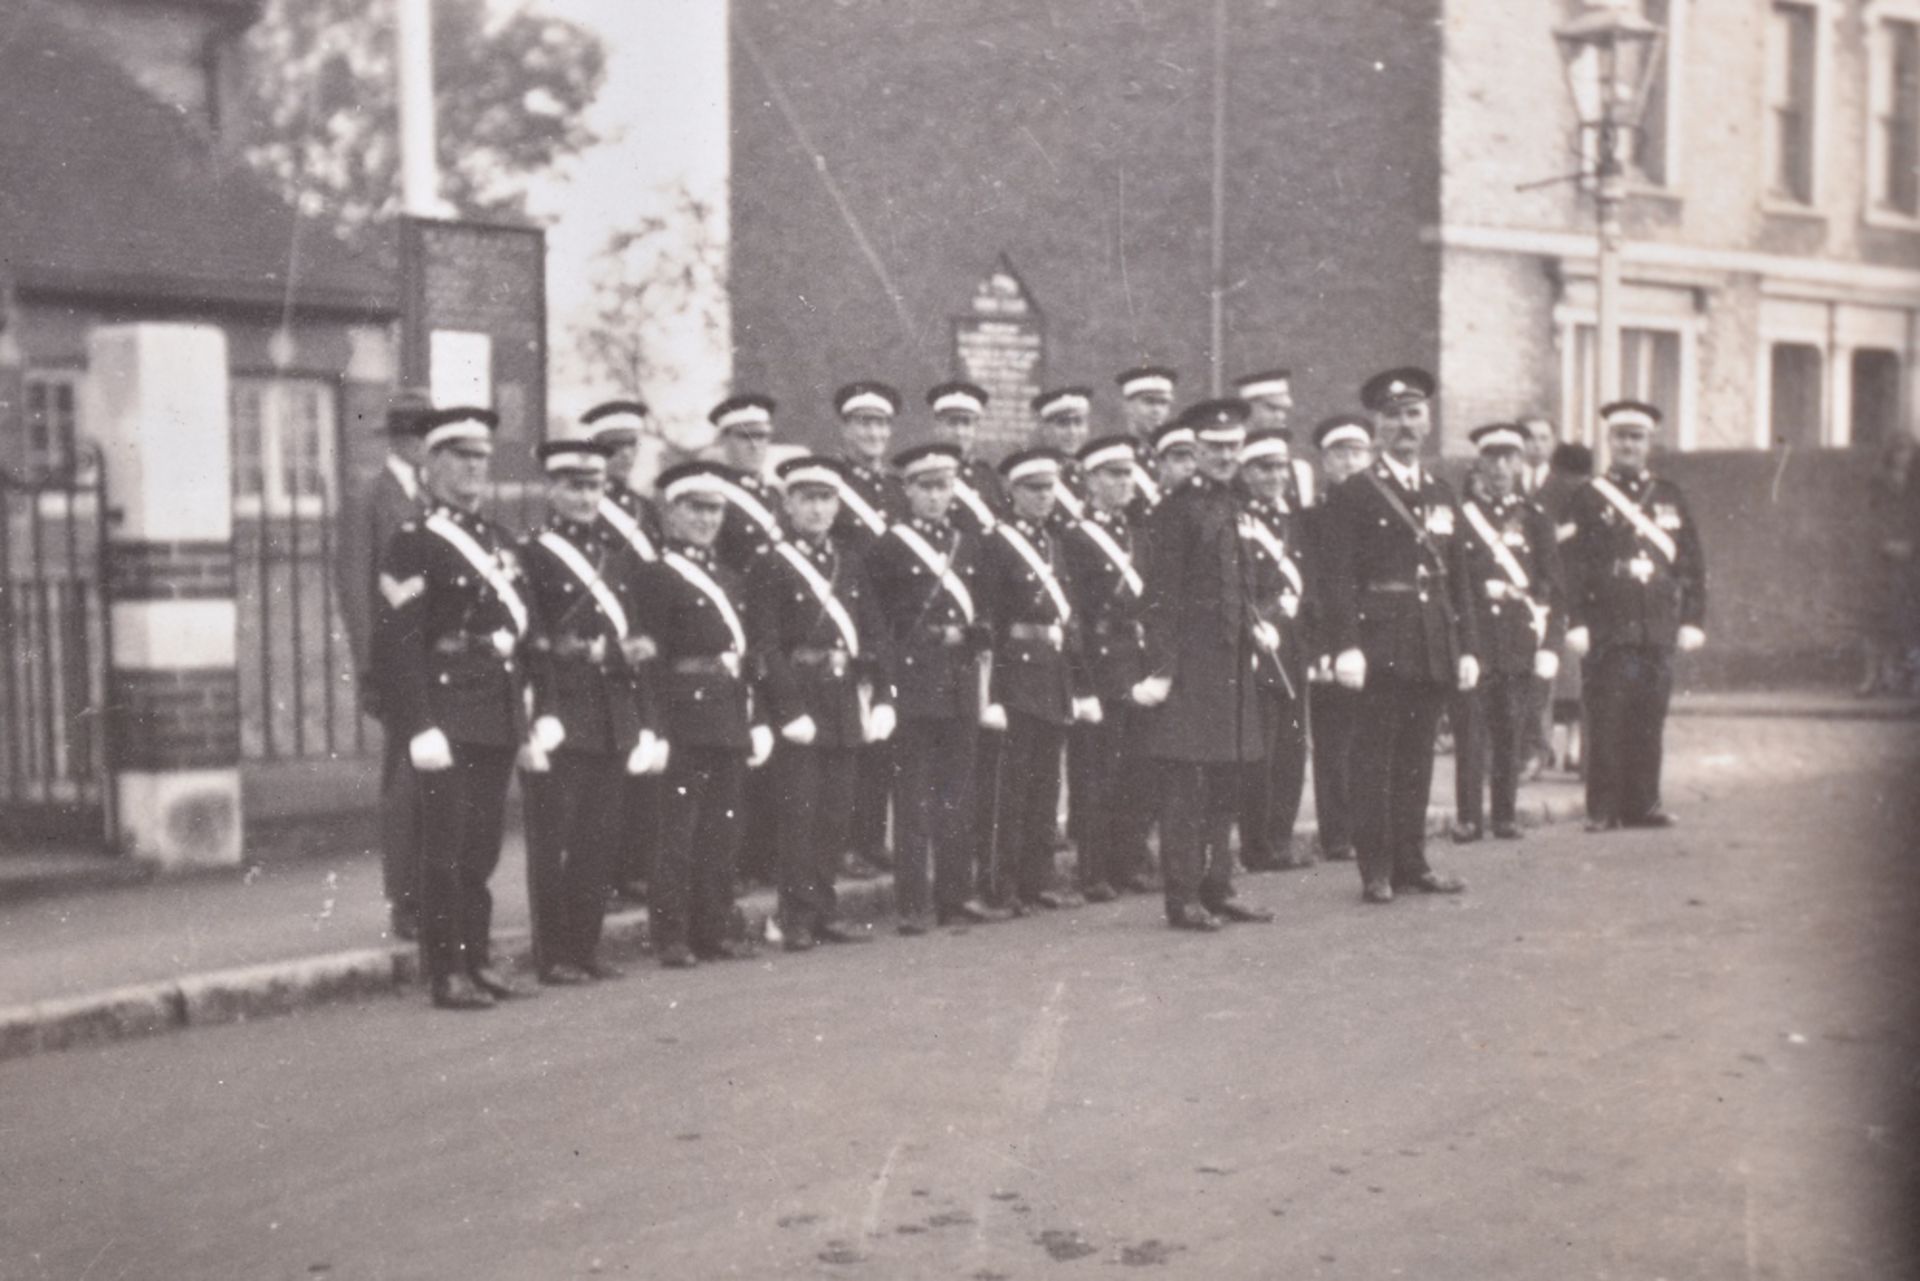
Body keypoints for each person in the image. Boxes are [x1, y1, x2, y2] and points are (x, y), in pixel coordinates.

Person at [373, 406, 538, 1009]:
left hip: (493, 709)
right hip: (445, 711)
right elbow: (397, 641)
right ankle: (445, 971)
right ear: (435, 462)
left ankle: (477, 957)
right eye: (461, 457)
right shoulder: (415, 542)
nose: (474, 469)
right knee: (442, 849)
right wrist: (418, 723)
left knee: (481, 849)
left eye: (482, 458)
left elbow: (519, 631)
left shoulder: (498, 539)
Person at [1318, 368, 1479, 905]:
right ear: (1376, 426)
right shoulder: (1355, 493)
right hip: (1379, 641)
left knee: (1417, 756)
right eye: (1392, 416)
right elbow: (1336, 576)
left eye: (1413, 414)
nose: (1404, 425)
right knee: (1374, 756)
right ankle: (1376, 868)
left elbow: (1459, 577)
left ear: (1428, 422)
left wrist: (1469, 647)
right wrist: (1345, 645)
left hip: (1431, 640)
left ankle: (1413, 861)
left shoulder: (1440, 492)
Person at [518, 438, 661, 985]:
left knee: (599, 839)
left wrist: (646, 716)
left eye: (594, 486)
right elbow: (534, 638)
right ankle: (553, 953)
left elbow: (636, 638)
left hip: (612, 711)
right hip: (564, 709)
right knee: (554, 838)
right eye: (573, 486)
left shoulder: (615, 556)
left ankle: (586, 945)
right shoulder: (533, 553)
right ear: (552, 490)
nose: (584, 497)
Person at [1135, 398, 1274, 931]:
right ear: (1194, 450)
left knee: (1225, 785)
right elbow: (1162, 599)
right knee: (1185, 788)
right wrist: (1163, 670)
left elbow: (1237, 582)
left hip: (1231, 665)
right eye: (1214, 448)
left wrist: (1252, 623)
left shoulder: (1233, 504)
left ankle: (1219, 888)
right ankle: (1184, 897)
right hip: (1191, 670)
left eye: (1233, 447)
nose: (1224, 456)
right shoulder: (1173, 512)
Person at [746, 455, 893, 951]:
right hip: (802, 700)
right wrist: (787, 709)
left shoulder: (849, 560)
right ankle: (795, 916)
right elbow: (764, 645)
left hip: (843, 697)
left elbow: (873, 629)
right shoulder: (771, 563)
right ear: (788, 504)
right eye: (806, 498)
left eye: (826, 498)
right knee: (800, 815)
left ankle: (824, 909)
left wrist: (883, 694)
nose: (817, 508)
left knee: (835, 814)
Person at [631, 462, 774, 966]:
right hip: (684, 715)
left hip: (729, 712)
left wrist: (756, 719)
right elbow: (650, 659)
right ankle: (671, 934)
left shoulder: (732, 579)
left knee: (722, 830)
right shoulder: (655, 576)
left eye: (715, 509)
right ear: (672, 513)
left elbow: (750, 655)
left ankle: (713, 929)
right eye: (696, 508)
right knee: (678, 831)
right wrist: (656, 726)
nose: (707, 519)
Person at [867, 444, 1003, 930]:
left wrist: (976, 633)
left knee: (957, 794)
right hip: (915, 681)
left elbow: (983, 609)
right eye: (924, 486)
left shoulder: (966, 544)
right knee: (914, 798)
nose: (934, 496)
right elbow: (877, 623)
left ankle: (953, 895)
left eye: (942, 486)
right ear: (907, 490)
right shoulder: (887, 547)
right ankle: (912, 902)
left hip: (961, 681)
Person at [1563, 400, 1707, 831]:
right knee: (1607, 715)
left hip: (1657, 624)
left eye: (1637, 436)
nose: (1629, 444)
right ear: (1609, 441)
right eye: (1621, 436)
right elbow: (1571, 566)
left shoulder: (1670, 496)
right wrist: (1577, 622)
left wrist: (1692, 620)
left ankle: (1644, 804)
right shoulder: (1587, 497)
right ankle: (1603, 808)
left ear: (1649, 442)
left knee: (1650, 715)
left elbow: (1692, 564)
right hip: (1609, 625)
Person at [979, 447, 1091, 914]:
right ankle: (1001, 884)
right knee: (1013, 784)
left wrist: (1080, 683)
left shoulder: (1054, 542)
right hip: (1016, 672)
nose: (1045, 497)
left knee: (1046, 782)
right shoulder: (996, 542)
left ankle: (1036, 879)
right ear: (1012, 491)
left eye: (1050, 488)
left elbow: (1068, 618)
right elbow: (990, 619)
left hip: (1053, 669)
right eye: (1034, 489)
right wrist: (995, 690)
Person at [339, 387, 432, 942]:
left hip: (438, 661)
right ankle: (405, 898)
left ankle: (432, 891)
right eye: (420, 433)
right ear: (402, 437)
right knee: (404, 783)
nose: (425, 444)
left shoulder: (433, 493)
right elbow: (355, 587)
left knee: (437, 780)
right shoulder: (371, 495)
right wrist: (371, 667)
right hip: (397, 663)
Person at [1449, 423, 1563, 843]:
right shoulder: (1462, 519)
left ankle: (1505, 815)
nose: (1500, 467)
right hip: (1474, 638)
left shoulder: (1534, 519)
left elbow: (1554, 586)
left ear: (1520, 463)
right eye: (1492, 458)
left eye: (1509, 458)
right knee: (1470, 731)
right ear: (1479, 462)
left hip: (1517, 640)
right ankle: (1467, 817)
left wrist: (1550, 645)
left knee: (1510, 728)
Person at [1062, 436, 1155, 899]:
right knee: (1098, 770)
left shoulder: (1138, 532)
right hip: (1102, 661)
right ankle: (1095, 869)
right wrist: (1082, 679)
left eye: (1128, 473)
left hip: (1138, 659)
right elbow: (1074, 613)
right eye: (1114, 474)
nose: (1124, 483)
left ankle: (1130, 860)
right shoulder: (1075, 537)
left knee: (1137, 767)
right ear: (1092, 480)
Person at [581, 399, 663, 906]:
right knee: (610, 762)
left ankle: (637, 866)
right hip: (610, 640)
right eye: (613, 448)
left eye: (630, 446)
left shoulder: (643, 508)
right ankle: (607, 873)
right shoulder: (589, 505)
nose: (624, 456)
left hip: (645, 634)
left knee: (646, 755)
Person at [832, 381, 909, 881]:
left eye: (881, 423)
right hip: (850, 616)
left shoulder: (898, 488)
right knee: (850, 734)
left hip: (896, 622)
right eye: (863, 422)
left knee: (885, 735)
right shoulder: (833, 484)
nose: (874, 432)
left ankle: (870, 838)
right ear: (845, 428)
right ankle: (843, 844)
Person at [1235, 426, 1312, 872]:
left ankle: (1281, 838)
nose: (1275, 475)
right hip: (1259, 645)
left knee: (1292, 748)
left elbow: (1312, 582)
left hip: (1294, 645)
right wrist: (1257, 624)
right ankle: (1256, 844)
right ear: (1246, 472)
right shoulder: (1241, 521)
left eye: (1280, 466)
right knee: (1258, 750)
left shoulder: (1295, 519)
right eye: (1264, 467)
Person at [1302, 413, 1374, 864]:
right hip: (1330, 642)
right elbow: (1312, 584)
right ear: (1325, 461)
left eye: (1358, 452)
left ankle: (1372, 828)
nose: (1349, 461)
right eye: (1339, 453)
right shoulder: (1314, 517)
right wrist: (1319, 646)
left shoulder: (1383, 510)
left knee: (1375, 739)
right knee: (1335, 742)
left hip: (1378, 639)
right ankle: (1338, 833)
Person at [1539, 442, 1595, 773]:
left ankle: (1548, 751)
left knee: (1551, 679)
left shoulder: (1549, 492)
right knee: (1580, 681)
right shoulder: (1591, 495)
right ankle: (1578, 753)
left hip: (1556, 596)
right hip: (1581, 598)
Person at [1862, 430, 1920, 696]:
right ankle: (1876, 677)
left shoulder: (1915, 485)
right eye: (1897, 450)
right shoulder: (1877, 484)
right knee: (1878, 615)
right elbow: (1870, 518)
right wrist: (1883, 543)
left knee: (1911, 616)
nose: (1902, 457)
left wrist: (1911, 545)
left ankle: (1912, 678)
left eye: (1907, 450)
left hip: (1913, 558)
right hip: (1882, 558)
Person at [707, 393, 785, 575]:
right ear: (724, 440)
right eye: (744, 437)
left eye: (761, 436)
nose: (755, 445)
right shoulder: (715, 496)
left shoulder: (777, 496)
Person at [925, 381, 1005, 536]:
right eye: (952, 423)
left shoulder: (987, 476)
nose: (960, 432)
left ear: (976, 428)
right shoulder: (926, 471)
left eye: (966, 423)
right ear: (937, 426)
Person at [1234, 368, 1317, 509]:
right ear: (1246, 408)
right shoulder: (1229, 461)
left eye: (1283, 410)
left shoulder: (1298, 470)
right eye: (1272, 409)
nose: (1281, 416)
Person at [1116, 366, 1178, 510]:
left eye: (1163, 403)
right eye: (1149, 402)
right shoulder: (1117, 458)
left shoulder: (1174, 456)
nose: (1156, 410)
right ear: (1127, 406)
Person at [1031, 386, 1093, 523]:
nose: (1072, 432)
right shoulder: (1034, 475)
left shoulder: (1093, 473)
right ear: (1045, 430)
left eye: (1078, 423)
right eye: (1063, 424)